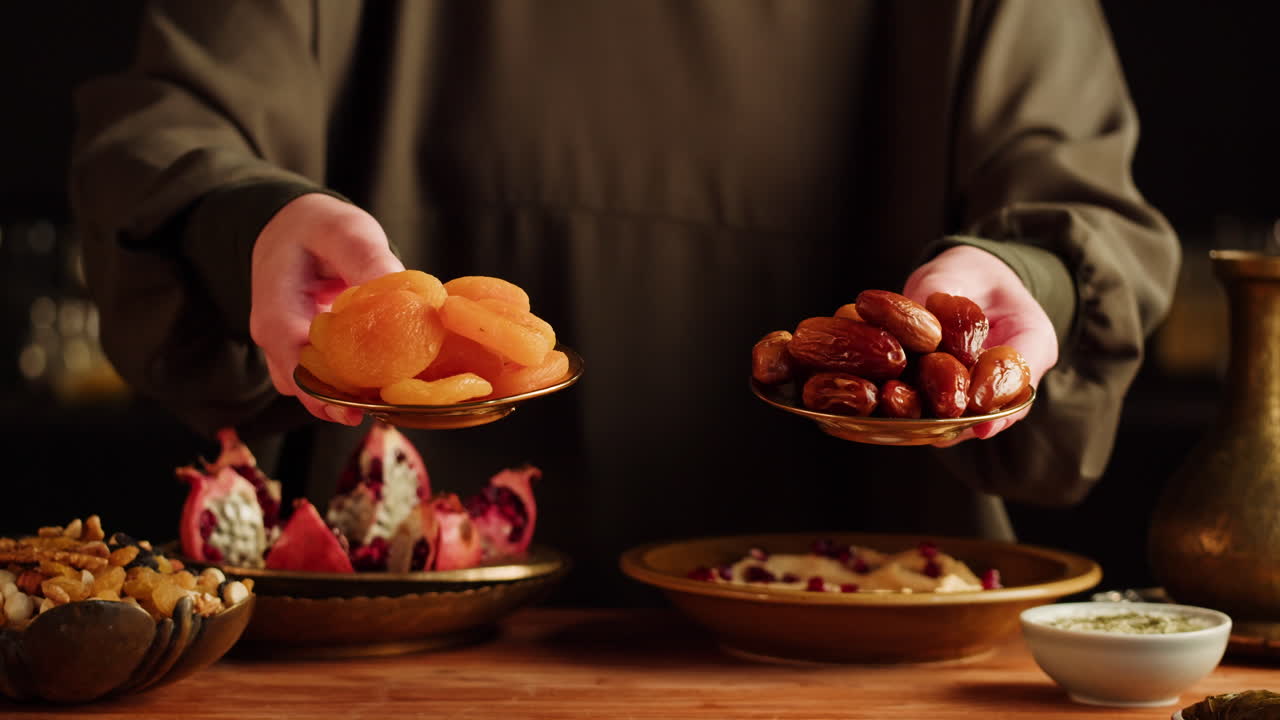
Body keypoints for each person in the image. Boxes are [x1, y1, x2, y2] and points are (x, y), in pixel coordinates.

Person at [70, 0, 1178, 604]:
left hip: (859, 641)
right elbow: (165, 137)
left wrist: (1018, 288)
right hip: (403, 634)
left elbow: (1075, 214)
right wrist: (248, 221)